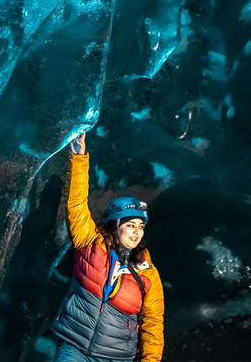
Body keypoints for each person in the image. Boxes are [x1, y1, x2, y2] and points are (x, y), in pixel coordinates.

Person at [51, 132, 165, 362]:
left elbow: (153, 326)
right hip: (74, 348)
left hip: (116, 358)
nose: (137, 231)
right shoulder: (89, 244)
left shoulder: (148, 274)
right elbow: (76, 206)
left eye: (141, 226)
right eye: (130, 224)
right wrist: (80, 158)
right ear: (115, 225)